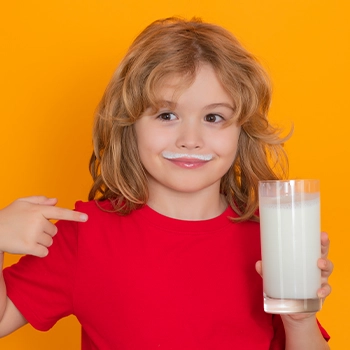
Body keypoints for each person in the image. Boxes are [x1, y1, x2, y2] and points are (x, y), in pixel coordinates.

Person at [0, 17, 332, 349]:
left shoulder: (269, 239)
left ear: (241, 131)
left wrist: (299, 320)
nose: (191, 139)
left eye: (213, 117)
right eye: (166, 115)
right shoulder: (86, 236)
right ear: (129, 124)